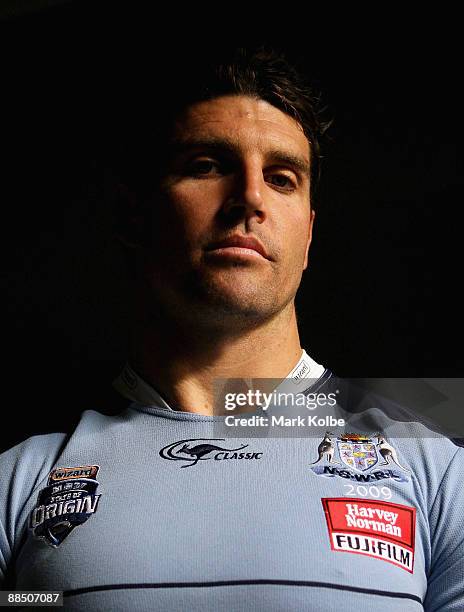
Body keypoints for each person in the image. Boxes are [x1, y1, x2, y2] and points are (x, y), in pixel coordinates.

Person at [1, 47, 463, 612]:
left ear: (309, 235)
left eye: (282, 178)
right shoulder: (21, 480)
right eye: (207, 165)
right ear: (132, 217)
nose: (249, 197)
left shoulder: (436, 472)